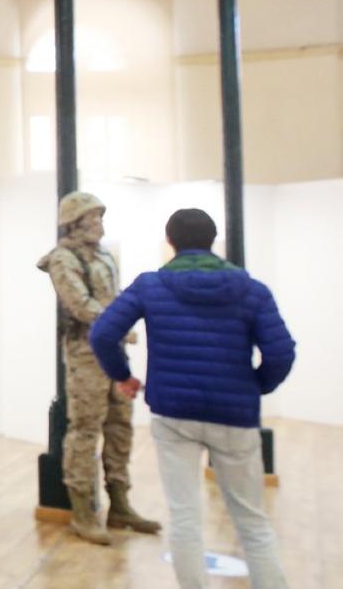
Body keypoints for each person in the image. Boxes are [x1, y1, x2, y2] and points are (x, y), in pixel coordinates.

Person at [90, 208, 295, 589]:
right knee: (252, 521)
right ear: (213, 240)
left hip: (174, 414)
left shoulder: (150, 286)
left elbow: (103, 334)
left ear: (171, 242)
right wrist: (255, 387)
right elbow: (281, 353)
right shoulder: (251, 289)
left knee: (184, 518)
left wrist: (123, 377)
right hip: (234, 416)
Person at [37, 192, 160, 544]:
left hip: (113, 353)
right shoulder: (63, 259)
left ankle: (120, 503)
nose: (99, 225)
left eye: (100, 218)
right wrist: (118, 325)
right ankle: (83, 511)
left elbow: (115, 297)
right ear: (75, 222)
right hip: (85, 354)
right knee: (86, 429)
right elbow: (80, 304)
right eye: (93, 218)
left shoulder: (104, 255)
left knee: (120, 425)